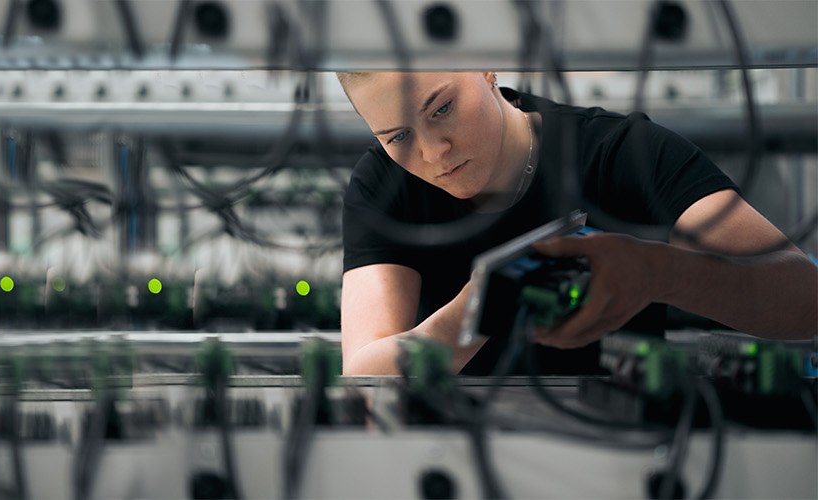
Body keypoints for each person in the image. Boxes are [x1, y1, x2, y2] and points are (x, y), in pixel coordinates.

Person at [336, 71, 816, 375]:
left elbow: (805, 300)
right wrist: (477, 309)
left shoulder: (621, 154)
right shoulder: (382, 184)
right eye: (396, 136)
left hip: (614, 455)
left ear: (485, 68)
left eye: (442, 108)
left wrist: (660, 273)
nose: (432, 152)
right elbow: (365, 373)